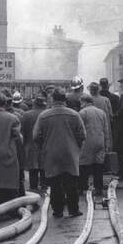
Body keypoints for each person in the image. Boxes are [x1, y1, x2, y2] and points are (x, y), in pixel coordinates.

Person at [33, 87, 86, 217]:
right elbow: (82, 135)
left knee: (55, 183)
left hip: (51, 153)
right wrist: (76, 147)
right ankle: (73, 209)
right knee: (71, 182)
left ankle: (58, 210)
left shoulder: (44, 116)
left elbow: (36, 136)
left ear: (52, 99)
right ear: (65, 100)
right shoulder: (74, 114)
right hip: (70, 153)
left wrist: (43, 147)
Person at [79, 93, 110, 199]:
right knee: (98, 166)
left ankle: (82, 186)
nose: (80, 104)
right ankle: (98, 188)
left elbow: (80, 130)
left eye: (81, 102)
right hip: (100, 141)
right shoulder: (101, 112)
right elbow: (106, 129)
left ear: (84, 102)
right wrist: (107, 144)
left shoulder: (82, 113)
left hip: (87, 142)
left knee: (84, 165)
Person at [21, 95, 47, 190]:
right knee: (44, 170)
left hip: (30, 145)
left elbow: (22, 132)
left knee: (33, 171)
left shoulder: (26, 115)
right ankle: (44, 189)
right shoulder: (47, 114)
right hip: (45, 146)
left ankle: (33, 189)